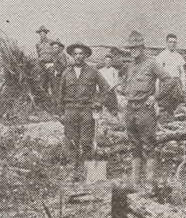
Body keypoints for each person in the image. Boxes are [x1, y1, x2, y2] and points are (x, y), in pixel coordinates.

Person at [117, 30, 177, 189]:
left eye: (136, 47)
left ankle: (150, 183)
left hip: (145, 110)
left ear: (142, 47)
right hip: (130, 110)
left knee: (149, 146)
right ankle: (136, 182)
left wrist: (155, 97)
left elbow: (169, 81)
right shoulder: (130, 66)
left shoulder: (151, 63)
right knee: (134, 145)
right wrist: (124, 94)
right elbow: (124, 85)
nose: (133, 51)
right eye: (131, 48)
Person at [58, 42, 111, 182]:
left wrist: (99, 102)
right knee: (70, 141)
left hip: (86, 110)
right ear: (71, 56)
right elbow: (60, 94)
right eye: (75, 54)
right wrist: (60, 113)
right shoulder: (66, 73)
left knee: (86, 142)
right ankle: (72, 171)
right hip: (70, 110)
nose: (78, 56)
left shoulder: (92, 71)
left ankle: (87, 173)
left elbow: (106, 88)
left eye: (81, 53)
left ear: (86, 55)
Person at [157, 33, 186, 103]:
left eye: (174, 42)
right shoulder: (162, 55)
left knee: (176, 104)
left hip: (176, 83)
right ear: (167, 43)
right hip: (166, 83)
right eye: (170, 42)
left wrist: (183, 86)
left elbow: (182, 72)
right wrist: (157, 88)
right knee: (164, 104)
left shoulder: (179, 56)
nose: (173, 44)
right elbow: (158, 73)